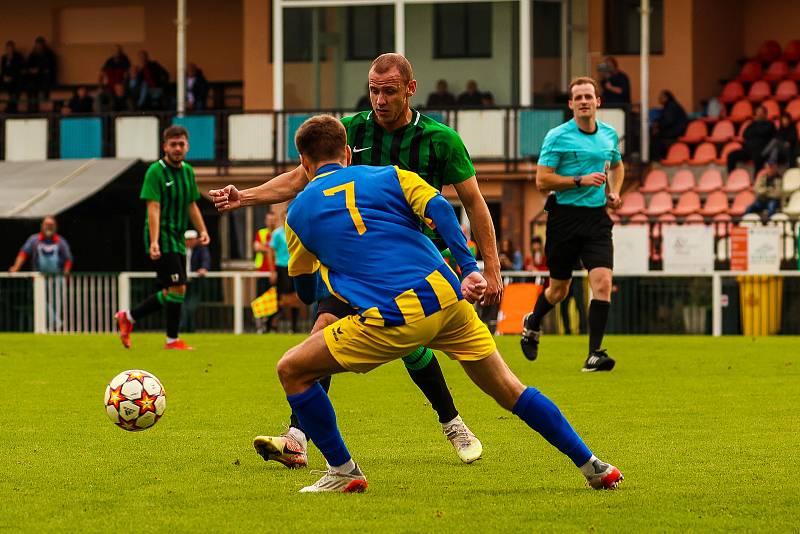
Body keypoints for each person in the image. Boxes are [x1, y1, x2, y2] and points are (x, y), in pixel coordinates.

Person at [272, 114, 623, 493]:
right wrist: (470, 267)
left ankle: (343, 470)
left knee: (292, 369)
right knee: (510, 389)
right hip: (446, 294)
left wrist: (331, 265)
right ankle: (594, 465)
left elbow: (307, 293)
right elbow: (440, 207)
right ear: (346, 153)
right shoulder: (390, 174)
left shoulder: (297, 214)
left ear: (304, 162)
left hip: (394, 315)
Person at [209, 53, 502, 467]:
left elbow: (474, 203)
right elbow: (301, 178)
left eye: (389, 91)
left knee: (412, 347)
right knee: (322, 329)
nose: (379, 100)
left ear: (410, 90)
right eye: (373, 90)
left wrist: (489, 267)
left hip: (417, 263)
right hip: (356, 262)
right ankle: (297, 437)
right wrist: (246, 197)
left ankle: (451, 420)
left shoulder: (441, 140)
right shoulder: (351, 131)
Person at [520, 77, 624, 372]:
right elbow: (542, 181)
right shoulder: (557, 136)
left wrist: (614, 192)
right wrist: (579, 180)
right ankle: (533, 321)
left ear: (597, 102)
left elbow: (616, 165)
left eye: (588, 96)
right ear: (571, 104)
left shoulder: (608, 135)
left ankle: (594, 354)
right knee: (559, 291)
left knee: (602, 283)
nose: (583, 101)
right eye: (577, 97)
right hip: (563, 219)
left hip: (596, 219)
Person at [115, 125, 210, 350]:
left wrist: (203, 230)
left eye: (181, 144)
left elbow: (191, 204)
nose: (177, 148)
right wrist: (155, 241)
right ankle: (171, 340)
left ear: (187, 146)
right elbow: (153, 207)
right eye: (173, 144)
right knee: (178, 288)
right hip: (162, 237)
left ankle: (128, 317)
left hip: (177, 237)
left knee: (172, 290)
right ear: (164, 146)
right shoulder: (155, 172)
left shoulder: (187, 171)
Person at [9, 216, 73, 330]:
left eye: (51, 225)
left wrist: (66, 274)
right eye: (46, 224)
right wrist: (16, 267)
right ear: (42, 226)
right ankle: (56, 323)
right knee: (41, 301)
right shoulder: (34, 240)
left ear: (56, 227)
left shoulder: (61, 242)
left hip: (57, 277)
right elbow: (23, 253)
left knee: (56, 305)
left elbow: (68, 259)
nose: (49, 227)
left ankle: (52, 330)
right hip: (40, 279)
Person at [270, 210, 302, 333]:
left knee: (296, 296)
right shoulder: (277, 234)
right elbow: (271, 251)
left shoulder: (296, 232)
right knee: (282, 297)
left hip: (294, 267)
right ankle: (273, 324)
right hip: (282, 267)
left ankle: (294, 327)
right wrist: (272, 271)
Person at [726, 105, 776, 173]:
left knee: (758, 158)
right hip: (748, 150)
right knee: (731, 155)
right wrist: (756, 129)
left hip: (761, 151)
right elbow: (745, 134)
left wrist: (755, 130)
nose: (758, 114)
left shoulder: (770, 124)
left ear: (765, 114)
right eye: (757, 112)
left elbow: (763, 133)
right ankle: (731, 176)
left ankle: (756, 180)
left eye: (760, 113)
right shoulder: (752, 124)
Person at [180, 229, 211, 333]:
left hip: (194, 283)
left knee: (191, 307)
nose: (189, 242)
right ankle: (182, 330)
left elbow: (206, 260)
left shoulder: (201, 249)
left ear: (196, 240)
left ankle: (191, 330)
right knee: (182, 307)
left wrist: (204, 268)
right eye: (187, 240)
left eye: (191, 239)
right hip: (182, 283)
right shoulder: (180, 249)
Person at [253, 211, 278, 333]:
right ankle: (261, 326)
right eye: (269, 219)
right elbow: (256, 247)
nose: (271, 222)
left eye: (273, 219)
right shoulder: (262, 233)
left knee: (275, 300)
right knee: (261, 299)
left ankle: (271, 326)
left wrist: (266, 248)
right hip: (262, 272)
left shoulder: (279, 233)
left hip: (276, 271)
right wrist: (270, 250)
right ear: (265, 221)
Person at [650, 90, 688, 161]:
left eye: (661, 97)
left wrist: (658, 126)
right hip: (675, 129)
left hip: (677, 131)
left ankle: (658, 159)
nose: (659, 99)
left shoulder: (671, 106)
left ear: (666, 97)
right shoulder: (670, 105)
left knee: (655, 136)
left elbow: (668, 121)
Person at [25, 36, 57, 113]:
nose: (38, 46)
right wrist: (31, 70)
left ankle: (45, 96)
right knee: (30, 84)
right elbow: (28, 65)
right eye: (37, 44)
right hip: (34, 77)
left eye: (40, 44)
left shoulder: (49, 53)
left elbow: (50, 66)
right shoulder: (33, 54)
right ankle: (32, 106)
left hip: (44, 76)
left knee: (45, 77)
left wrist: (39, 70)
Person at [1, 40, 25, 113]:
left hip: (16, 79)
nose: (9, 50)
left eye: (11, 48)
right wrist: (5, 77)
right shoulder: (4, 58)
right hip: (6, 79)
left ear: (13, 49)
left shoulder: (18, 57)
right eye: (8, 49)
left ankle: (11, 107)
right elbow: (3, 70)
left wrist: (11, 77)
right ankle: (10, 106)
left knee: (15, 87)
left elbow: (18, 69)